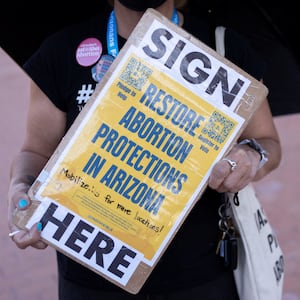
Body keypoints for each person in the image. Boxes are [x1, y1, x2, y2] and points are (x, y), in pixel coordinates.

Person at [7, 0, 282, 299]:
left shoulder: (224, 48)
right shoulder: (63, 51)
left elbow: (268, 143)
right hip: (90, 276)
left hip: (199, 275)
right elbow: (35, 152)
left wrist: (251, 157)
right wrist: (21, 187)